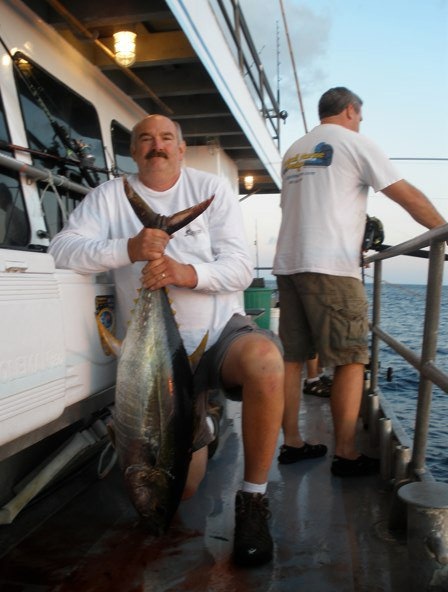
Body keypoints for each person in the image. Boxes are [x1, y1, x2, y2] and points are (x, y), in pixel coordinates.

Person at [48, 114, 284, 567]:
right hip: (152, 355)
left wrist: (185, 273)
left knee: (267, 362)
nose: (156, 145)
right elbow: (62, 249)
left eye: (166, 138)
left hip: (217, 336)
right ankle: (199, 420)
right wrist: (128, 250)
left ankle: (253, 500)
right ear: (133, 152)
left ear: (181, 147)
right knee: (185, 487)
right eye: (145, 139)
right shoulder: (108, 196)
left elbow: (239, 266)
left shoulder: (210, 190)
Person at [273, 87, 447, 477]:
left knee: (292, 359)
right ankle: (346, 454)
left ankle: (292, 443)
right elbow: (406, 196)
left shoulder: (295, 150)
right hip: (332, 266)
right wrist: (442, 229)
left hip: (288, 264)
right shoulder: (354, 142)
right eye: (360, 116)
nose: (360, 122)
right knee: (351, 358)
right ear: (350, 110)